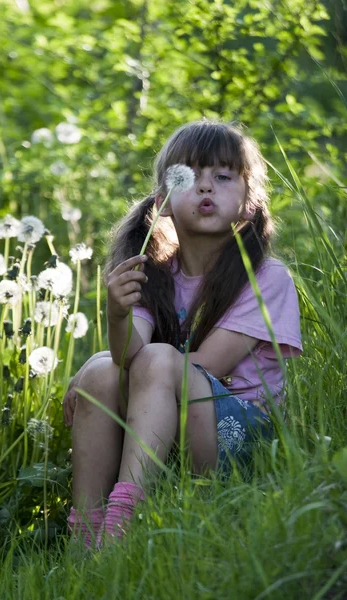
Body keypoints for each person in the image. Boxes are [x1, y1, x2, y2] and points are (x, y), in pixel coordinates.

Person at [62, 119, 302, 550]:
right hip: (170, 422)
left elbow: (207, 364)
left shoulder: (265, 277)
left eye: (223, 177)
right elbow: (126, 355)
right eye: (189, 177)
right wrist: (116, 316)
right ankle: (84, 534)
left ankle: (123, 520)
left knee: (142, 361)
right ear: (164, 202)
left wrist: (107, 362)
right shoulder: (152, 273)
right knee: (101, 374)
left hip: (241, 439)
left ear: (249, 201)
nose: (206, 187)